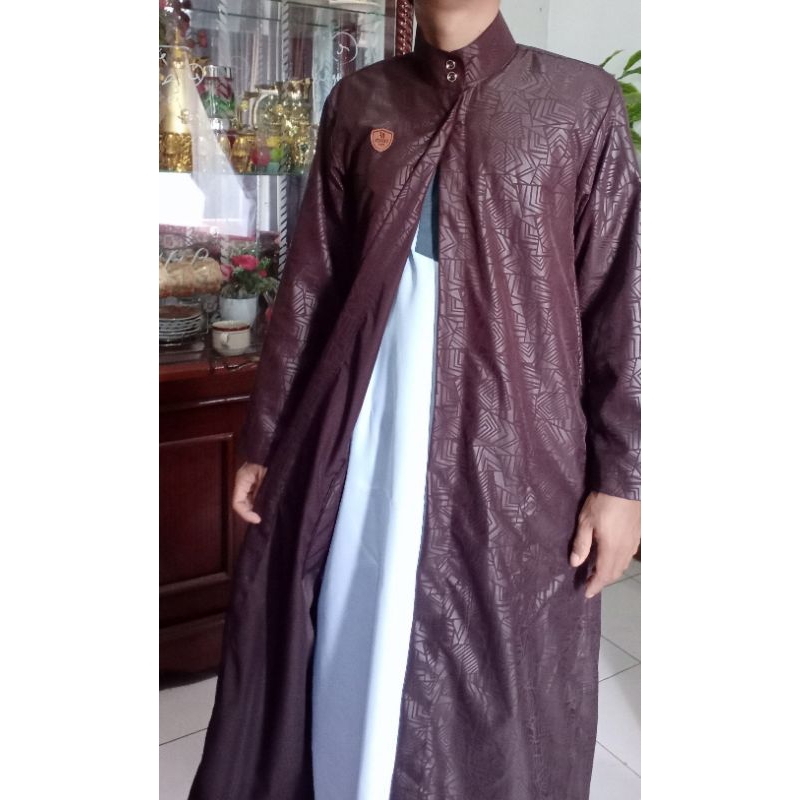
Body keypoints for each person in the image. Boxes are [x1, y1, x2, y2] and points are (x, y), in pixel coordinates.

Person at [188, 1, 641, 798]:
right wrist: (267, 436)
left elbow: (619, 301)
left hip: (520, 454)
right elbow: (312, 285)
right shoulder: (361, 100)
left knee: (508, 680)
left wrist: (624, 479)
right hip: (366, 437)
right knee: (357, 633)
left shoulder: (580, 104)